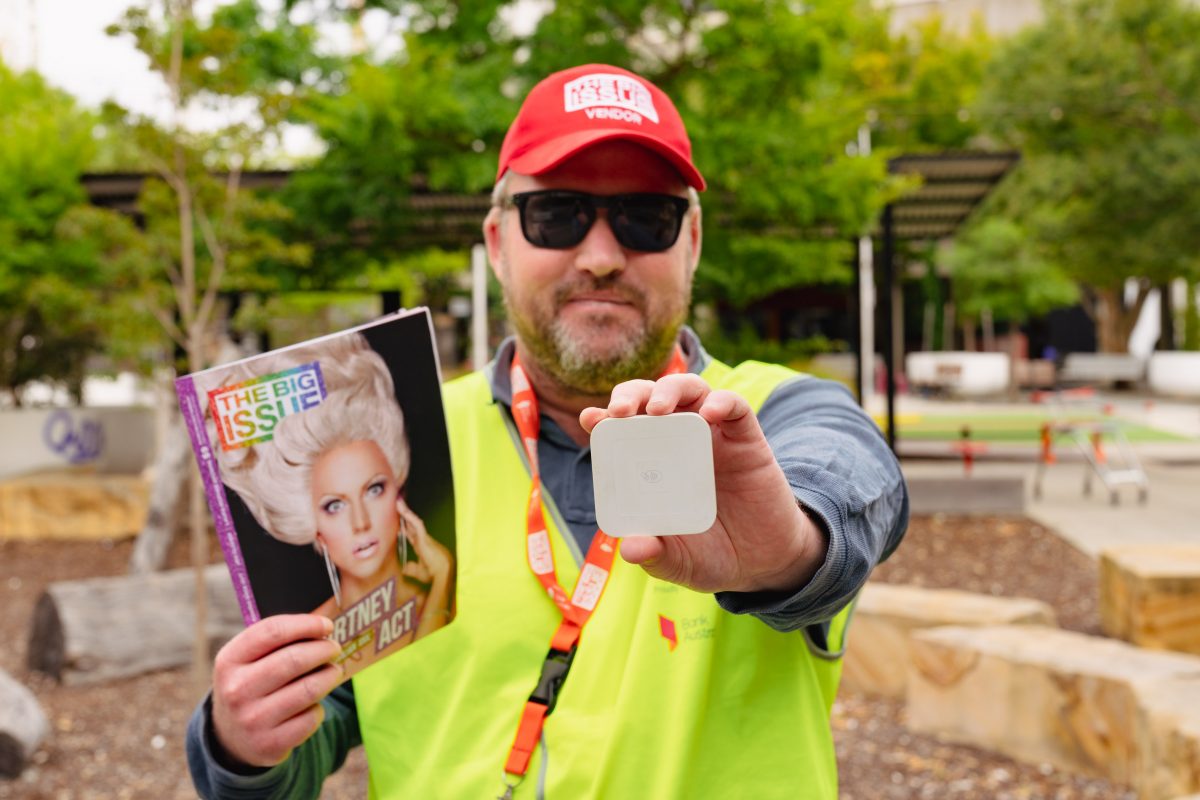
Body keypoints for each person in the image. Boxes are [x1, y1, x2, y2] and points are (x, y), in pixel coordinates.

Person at [187, 63, 907, 798]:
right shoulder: (403, 443)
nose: (600, 256)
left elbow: (848, 485)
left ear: (690, 241)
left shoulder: (772, 416)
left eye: (645, 218)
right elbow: (321, 726)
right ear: (498, 242)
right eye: (557, 215)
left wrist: (789, 550)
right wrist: (244, 745)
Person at [200, 333, 455, 676]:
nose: (361, 523)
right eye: (335, 506)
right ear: (313, 527)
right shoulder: (301, 648)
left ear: (400, 494)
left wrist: (442, 582)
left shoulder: (457, 590)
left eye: (374, 489)